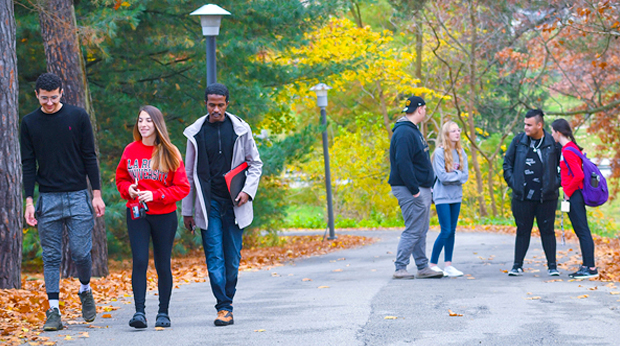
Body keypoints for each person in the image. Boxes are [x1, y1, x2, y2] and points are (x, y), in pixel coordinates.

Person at [20, 72, 105, 331]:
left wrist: (97, 194)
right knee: (52, 257)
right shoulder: (29, 122)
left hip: (78, 195)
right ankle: (54, 311)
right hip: (48, 198)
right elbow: (27, 164)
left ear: (61, 93)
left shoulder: (77, 117)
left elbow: (90, 155)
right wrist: (29, 201)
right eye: (44, 98)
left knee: (80, 252)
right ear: (37, 95)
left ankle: (85, 290)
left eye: (53, 98)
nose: (48, 103)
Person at [182, 83, 263, 326]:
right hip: (209, 205)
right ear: (205, 104)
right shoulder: (195, 133)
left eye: (220, 104)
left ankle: (227, 301)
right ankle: (224, 307)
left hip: (235, 203)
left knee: (232, 258)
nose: (215, 109)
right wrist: (187, 211)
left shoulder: (241, 129)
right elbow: (188, 174)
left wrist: (248, 193)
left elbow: (255, 164)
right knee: (214, 257)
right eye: (211, 104)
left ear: (227, 104)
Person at [115, 105, 190, 329]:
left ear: (157, 124)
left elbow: (182, 187)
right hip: (137, 213)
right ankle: (139, 312)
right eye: (140, 121)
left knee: (162, 264)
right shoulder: (130, 150)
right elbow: (121, 179)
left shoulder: (170, 151)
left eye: (148, 121)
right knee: (139, 260)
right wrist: (128, 190)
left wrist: (155, 194)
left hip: (164, 215)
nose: (144, 125)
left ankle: (163, 313)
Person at [388, 95, 443, 279]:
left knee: (421, 228)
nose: (425, 113)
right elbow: (403, 163)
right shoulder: (404, 132)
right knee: (414, 228)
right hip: (410, 188)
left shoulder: (412, 130)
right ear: (420, 109)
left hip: (420, 186)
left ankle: (422, 266)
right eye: (425, 109)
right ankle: (400, 267)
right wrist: (415, 190)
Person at [503, 109, 561, 277]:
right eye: (525, 124)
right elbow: (507, 164)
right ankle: (517, 265)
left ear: (539, 125)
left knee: (548, 230)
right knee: (522, 230)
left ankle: (552, 266)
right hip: (522, 197)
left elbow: (563, 167)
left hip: (547, 197)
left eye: (529, 125)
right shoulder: (518, 141)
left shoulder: (552, 143)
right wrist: (514, 183)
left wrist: (554, 184)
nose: (526, 128)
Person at [551, 118, 599, 279]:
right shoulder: (570, 148)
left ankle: (590, 267)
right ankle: (586, 265)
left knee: (583, 231)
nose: (552, 135)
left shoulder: (568, 151)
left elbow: (578, 175)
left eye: (552, 132)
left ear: (558, 133)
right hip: (574, 194)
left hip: (574, 195)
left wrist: (567, 192)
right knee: (581, 231)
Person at [429, 121, 469, 277]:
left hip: (456, 196)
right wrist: (457, 175)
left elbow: (465, 176)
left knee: (452, 231)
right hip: (442, 196)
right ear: (446, 134)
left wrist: (456, 175)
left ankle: (448, 265)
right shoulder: (439, 153)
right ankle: (432, 264)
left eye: (458, 130)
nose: (457, 133)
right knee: (445, 230)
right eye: (453, 131)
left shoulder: (461, 152)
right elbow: (443, 177)